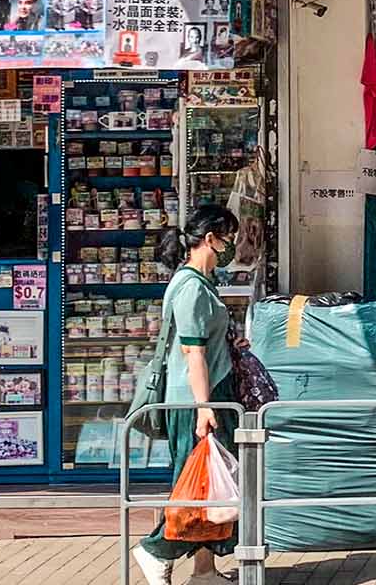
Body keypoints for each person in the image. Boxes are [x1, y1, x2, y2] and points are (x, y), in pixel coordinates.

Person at [132, 206, 241, 585]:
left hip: (208, 392)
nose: (232, 245)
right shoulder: (191, 286)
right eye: (228, 236)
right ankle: (156, 549)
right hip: (195, 398)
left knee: (213, 482)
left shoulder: (204, 282)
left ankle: (205, 571)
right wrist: (204, 407)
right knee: (197, 486)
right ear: (210, 239)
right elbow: (192, 352)